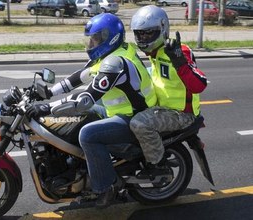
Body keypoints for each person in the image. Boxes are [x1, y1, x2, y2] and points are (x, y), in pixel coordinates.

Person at [26, 13, 157, 208]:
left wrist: (48, 107)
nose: (92, 43)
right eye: (91, 38)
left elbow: (86, 98)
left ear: (110, 37)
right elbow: (78, 78)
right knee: (78, 119)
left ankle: (106, 187)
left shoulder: (115, 63)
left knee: (88, 135)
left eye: (96, 38)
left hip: (134, 117)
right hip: (117, 112)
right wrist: (47, 93)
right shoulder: (109, 55)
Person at [129, 5, 208, 179]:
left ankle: (158, 166)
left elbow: (199, 85)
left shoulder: (179, 51)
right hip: (163, 108)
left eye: (149, 33)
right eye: (139, 33)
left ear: (162, 29)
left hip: (181, 114)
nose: (143, 38)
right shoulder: (154, 52)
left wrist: (180, 61)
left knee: (139, 124)